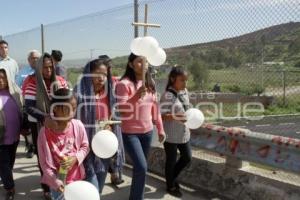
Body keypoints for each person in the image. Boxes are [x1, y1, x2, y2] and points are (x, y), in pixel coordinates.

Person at [115, 53, 165, 200]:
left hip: (147, 132)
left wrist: (160, 129)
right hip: (130, 134)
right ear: (131, 64)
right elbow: (122, 110)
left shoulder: (150, 84)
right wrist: (136, 96)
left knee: (140, 169)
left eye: (146, 61)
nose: (144, 64)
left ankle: (136, 196)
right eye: (139, 61)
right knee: (142, 167)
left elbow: (155, 109)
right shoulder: (123, 84)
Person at [74, 58, 125, 194]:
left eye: (104, 74)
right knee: (92, 185)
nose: (101, 78)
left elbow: (115, 116)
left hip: (104, 146)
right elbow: (71, 119)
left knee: (100, 183)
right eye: (97, 74)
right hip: (85, 146)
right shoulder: (78, 93)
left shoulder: (110, 94)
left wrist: (111, 126)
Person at [22, 53, 67, 200]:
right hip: (39, 125)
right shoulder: (32, 83)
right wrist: (44, 117)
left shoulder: (60, 81)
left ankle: (61, 182)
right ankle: (47, 187)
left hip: (59, 125)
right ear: (39, 68)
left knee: (60, 155)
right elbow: (29, 107)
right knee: (44, 157)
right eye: (44, 67)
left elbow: (67, 100)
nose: (48, 70)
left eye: (50, 67)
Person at [38, 88, 89, 200]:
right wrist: (55, 182)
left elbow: (85, 147)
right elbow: (44, 163)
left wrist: (76, 158)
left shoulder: (78, 125)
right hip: (57, 185)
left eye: (74, 109)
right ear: (55, 108)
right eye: (67, 109)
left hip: (77, 179)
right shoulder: (44, 133)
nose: (72, 113)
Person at [160, 66, 192, 198]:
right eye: (182, 80)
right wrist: (175, 117)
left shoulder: (185, 92)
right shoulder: (167, 95)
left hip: (184, 133)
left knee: (187, 157)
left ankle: (172, 178)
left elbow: (187, 109)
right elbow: (159, 115)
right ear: (173, 79)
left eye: (186, 80)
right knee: (171, 161)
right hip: (171, 134)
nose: (185, 83)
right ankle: (171, 185)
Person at [98, 54, 124, 186]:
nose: (109, 69)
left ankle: (114, 174)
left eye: (109, 66)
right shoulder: (95, 84)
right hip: (99, 122)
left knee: (114, 147)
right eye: (106, 66)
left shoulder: (114, 81)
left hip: (113, 120)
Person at [0, 67, 23, 200]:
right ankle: (9, 188)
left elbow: (22, 110)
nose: (0, 80)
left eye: (3, 77)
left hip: (14, 136)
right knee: (4, 163)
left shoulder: (15, 92)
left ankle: (6, 177)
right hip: (1, 137)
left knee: (9, 162)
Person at [15, 50, 41, 158]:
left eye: (36, 58)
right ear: (28, 60)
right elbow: (17, 87)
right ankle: (30, 147)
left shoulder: (44, 69)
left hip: (42, 104)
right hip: (28, 103)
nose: (34, 60)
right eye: (32, 58)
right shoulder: (23, 72)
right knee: (29, 127)